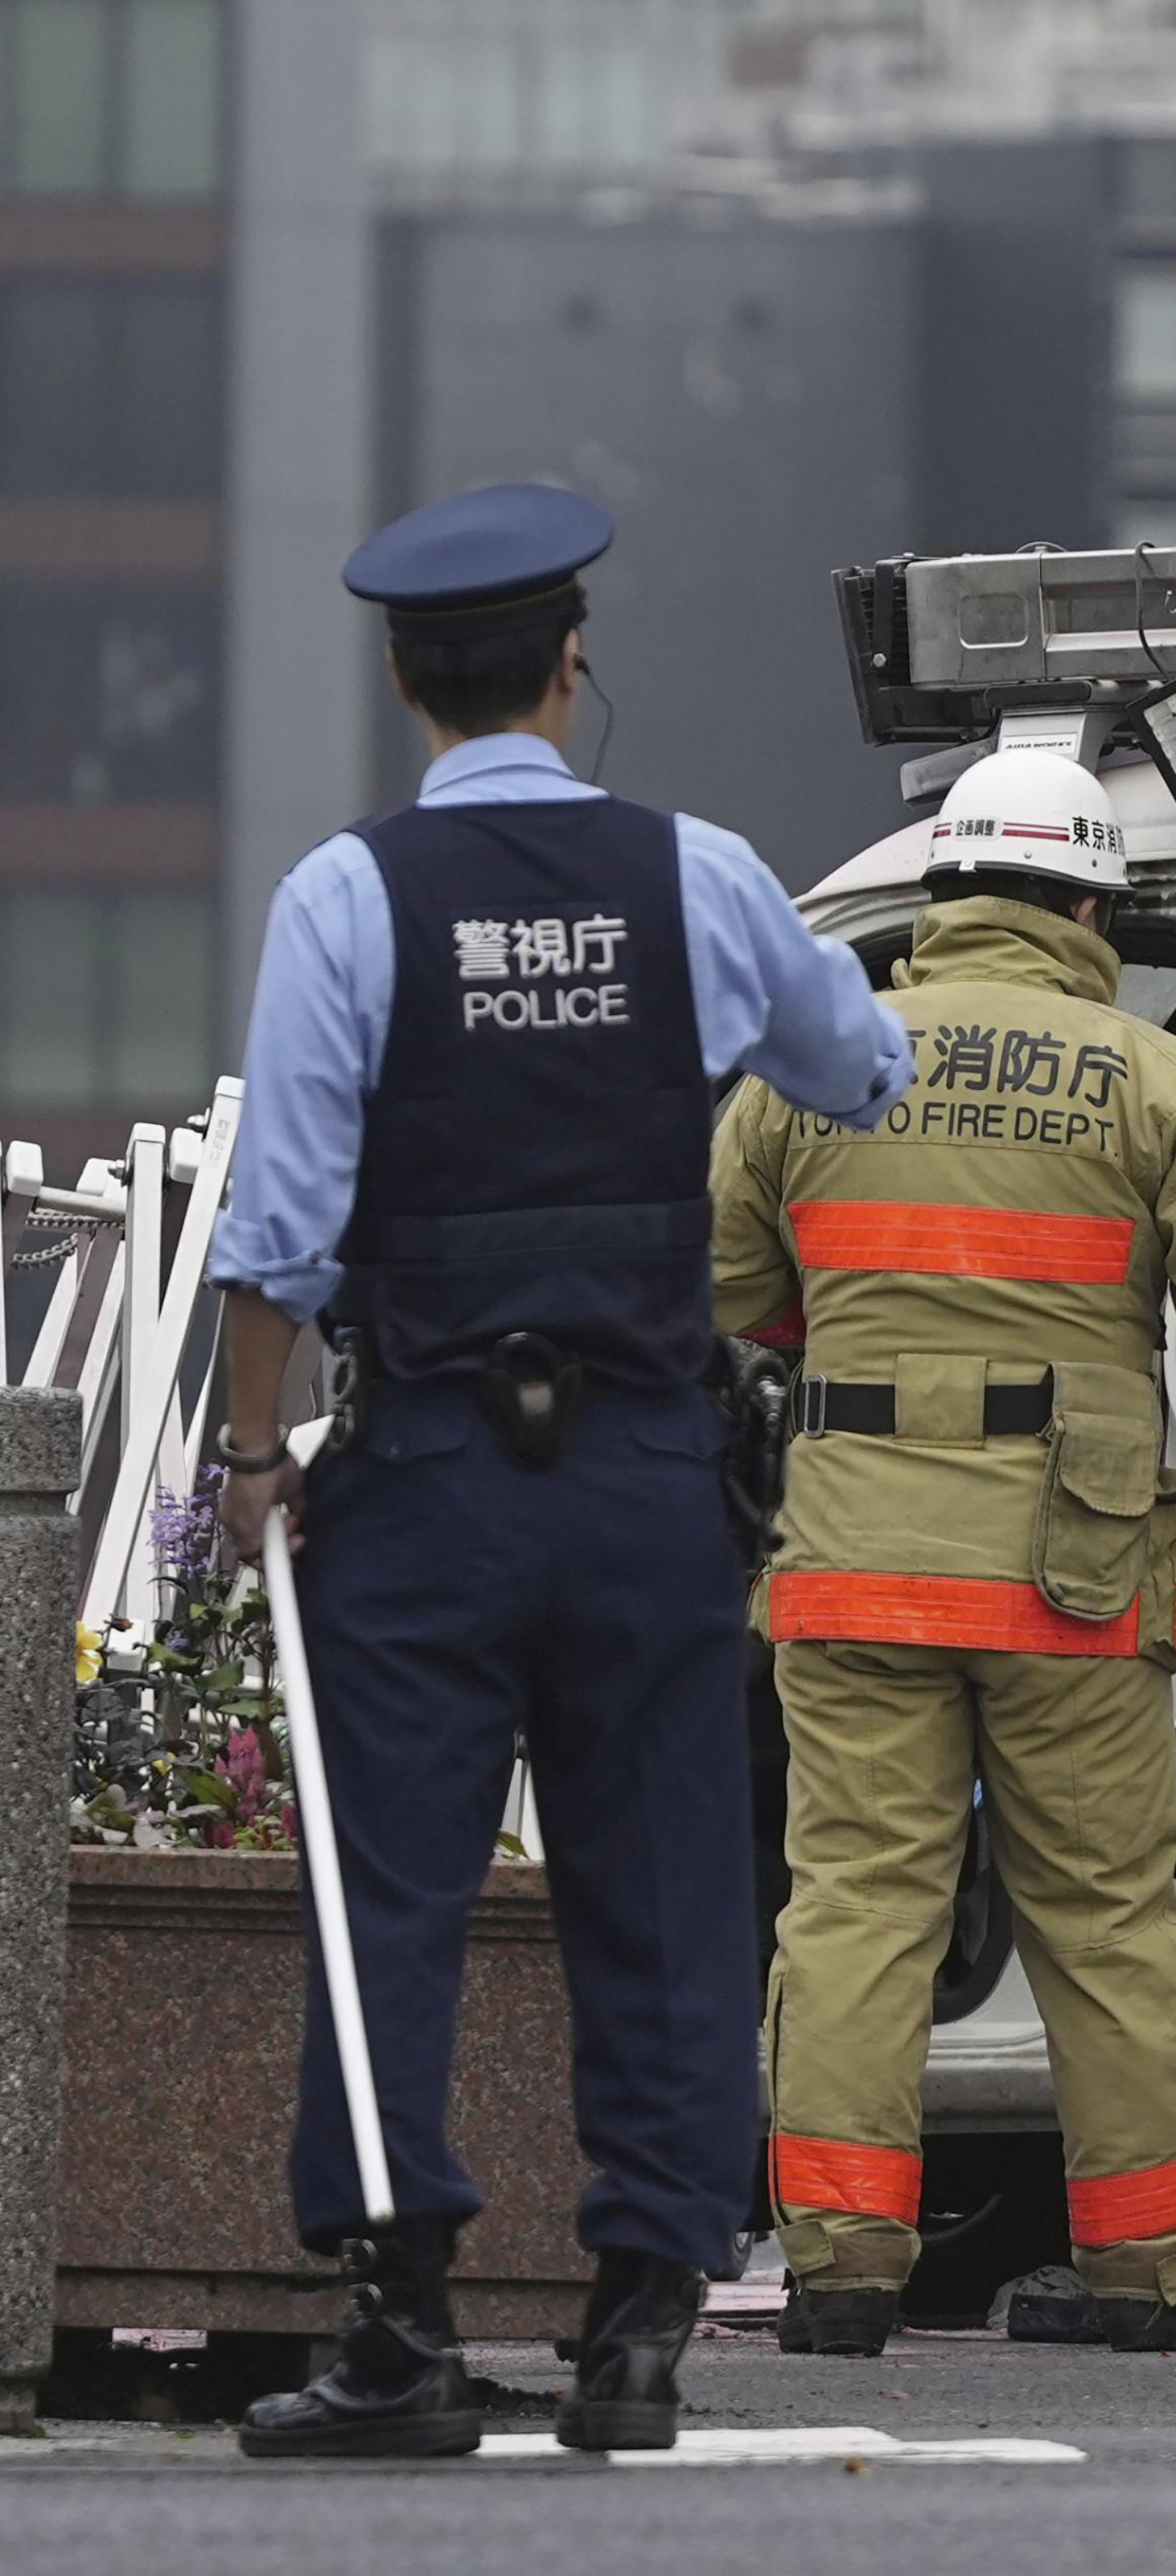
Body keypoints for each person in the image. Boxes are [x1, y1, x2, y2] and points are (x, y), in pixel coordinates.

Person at [208, 484, 912, 2457]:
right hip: (638, 1478)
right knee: (671, 1891)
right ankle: (640, 2329)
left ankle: (400, 2327)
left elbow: (274, 1237)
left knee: (390, 1896)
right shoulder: (695, 874)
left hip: (422, 1480)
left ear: (401, 681)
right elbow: (861, 1071)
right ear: (569, 666)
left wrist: (259, 1458)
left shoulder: (346, 899)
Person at [710, 757, 1176, 2356]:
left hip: (856, 1562)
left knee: (853, 1908)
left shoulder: (805, 1069)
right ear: (1090, 907)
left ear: (939, 893)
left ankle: (840, 2266)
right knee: (1107, 1918)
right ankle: (1146, 2278)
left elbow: (721, 1290)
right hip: (1068, 1562)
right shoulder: (1152, 1078)